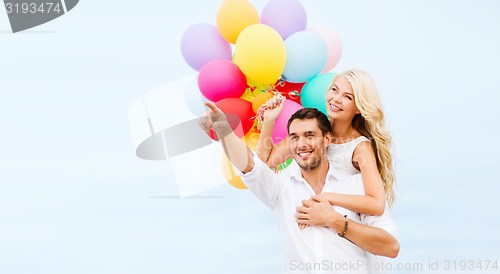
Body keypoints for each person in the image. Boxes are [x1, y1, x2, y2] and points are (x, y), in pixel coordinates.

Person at [199, 104, 399, 273]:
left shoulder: (355, 185)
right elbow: (250, 165)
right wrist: (225, 131)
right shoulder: (281, 188)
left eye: (309, 135)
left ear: (327, 139)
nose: (301, 144)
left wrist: (334, 221)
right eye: (294, 137)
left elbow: (390, 247)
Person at [256, 69, 395, 230]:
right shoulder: (312, 128)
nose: (336, 99)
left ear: (359, 108)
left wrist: (326, 197)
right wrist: (269, 120)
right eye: (334, 90)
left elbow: (377, 204)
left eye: (347, 97)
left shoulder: (360, 147)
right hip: (306, 224)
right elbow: (264, 163)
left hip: (338, 230)